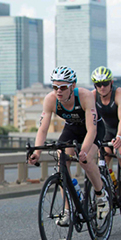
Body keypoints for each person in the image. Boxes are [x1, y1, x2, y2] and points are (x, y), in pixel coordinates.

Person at [28, 65, 109, 226]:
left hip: (92, 129)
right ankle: (67, 210)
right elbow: (43, 129)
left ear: (72, 86)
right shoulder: (50, 100)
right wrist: (37, 152)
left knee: (86, 160)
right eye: (55, 87)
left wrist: (84, 151)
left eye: (63, 87)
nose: (58, 91)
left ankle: (101, 195)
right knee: (61, 161)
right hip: (72, 128)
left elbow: (92, 130)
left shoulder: (85, 96)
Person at [91, 66, 121, 200]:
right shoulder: (93, 96)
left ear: (111, 83)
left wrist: (119, 136)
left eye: (105, 84)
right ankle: (112, 182)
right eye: (98, 84)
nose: (102, 87)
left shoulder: (119, 94)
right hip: (108, 129)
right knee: (103, 157)